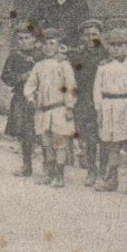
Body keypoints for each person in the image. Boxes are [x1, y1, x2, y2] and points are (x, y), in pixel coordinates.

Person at [92, 27, 127, 195]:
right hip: (109, 107)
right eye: (112, 45)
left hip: (126, 106)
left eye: (120, 45)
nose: (116, 49)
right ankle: (112, 178)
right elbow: (97, 89)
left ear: (126, 46)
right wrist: (99, 109)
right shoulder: (103, 66)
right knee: (111, 145)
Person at [28, 33, 78, 188]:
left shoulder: (64, 65)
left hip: (59, 109)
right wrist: (31, 97)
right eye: (45, 44)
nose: (48, 47)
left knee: (59, 143)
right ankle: (49, 174)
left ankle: (60, 176)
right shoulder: (39, 66)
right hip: (43, 110)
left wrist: (69, 106)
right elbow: (30, 84)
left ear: (59, 45)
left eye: (52, 43)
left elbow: (71, 86)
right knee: (46, 144)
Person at [0, 24, 40, 178]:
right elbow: (5, 76)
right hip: (20, 98)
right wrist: (20, 78)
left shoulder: (40, 55)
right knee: (24, 132)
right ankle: (26, 164)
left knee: (41, 132)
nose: (23, 42)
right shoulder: (14, 57)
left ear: (34, 39)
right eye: (20, 38)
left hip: (38, 98)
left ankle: (48, 168)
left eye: (27, 38)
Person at [71, 18, 106, 187]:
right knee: (90, 138)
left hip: (105, 100)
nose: (91, 38)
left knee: (106, 138)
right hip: (84, 100)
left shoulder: (107, 53)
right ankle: (92, 171)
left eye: (95, 34)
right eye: (87, 35)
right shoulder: (78, 55)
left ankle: (104, 172)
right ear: (82, 38)